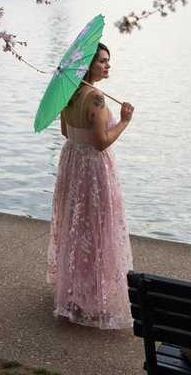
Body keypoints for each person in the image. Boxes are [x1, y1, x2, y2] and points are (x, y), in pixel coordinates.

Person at [46, 43, 135, 329]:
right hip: (94, 169)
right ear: (88, 66)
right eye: (103, 62)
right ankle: (95, 298)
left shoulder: (70, 93)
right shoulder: (96, 98)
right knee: (98, 229)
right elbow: (101, 143)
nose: (108, 66)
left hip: (72, 164)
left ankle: (77, 292)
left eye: (109, 62)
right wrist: (123, 121)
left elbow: (64, 131)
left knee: (77, 226)